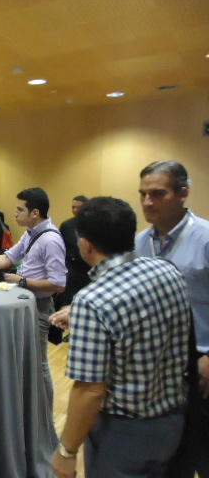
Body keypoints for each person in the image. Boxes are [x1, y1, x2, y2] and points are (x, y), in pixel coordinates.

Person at [52, 197, 190, 478]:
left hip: (123, 435)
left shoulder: (92, 300)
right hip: (175, 420)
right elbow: (147, 318)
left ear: (85, 244)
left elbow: (90, 391)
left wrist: (66, 451)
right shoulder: (168, 270)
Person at [134, 160, 209, 478]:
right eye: (143, 194)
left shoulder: (205, 238)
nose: (147, 202)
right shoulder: (140, 243)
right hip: (159, 368)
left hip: (202, 364)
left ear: (183, 193)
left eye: (157, 194)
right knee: (171, 459)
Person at [0, 187, 66, 423]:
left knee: (39, 364)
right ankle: (30, 413)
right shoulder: (30, 234)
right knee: (24, 362)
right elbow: (8, 257)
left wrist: (22, 281)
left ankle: (46, 420)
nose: (15, 213)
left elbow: (58, 283)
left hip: (39, 307)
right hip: (24, 304)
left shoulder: (50, 239)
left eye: (20, 209)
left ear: (35, 212)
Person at [54, 195, 90, 309]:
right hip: (71, 270)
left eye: (78, 207)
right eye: (73, 207)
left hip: (88, 270)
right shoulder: (67, 225)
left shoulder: (94, 225)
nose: (75, 210)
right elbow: (60, 248)